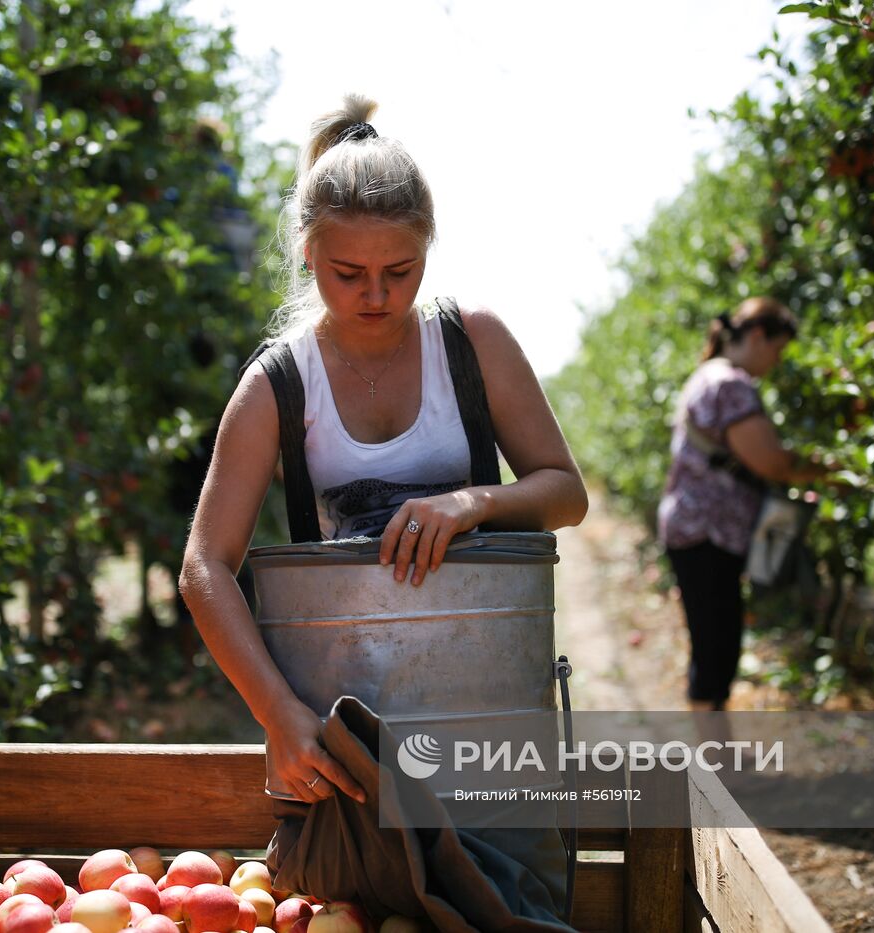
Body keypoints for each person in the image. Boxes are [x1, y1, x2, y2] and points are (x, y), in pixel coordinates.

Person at [177, 94, 587, 917]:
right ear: (306, 254)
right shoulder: (281, 386)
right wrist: (279, 714)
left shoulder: (471, 345)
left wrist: (471, 502)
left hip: (484, 716)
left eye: (399, 272)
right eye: (347, 274)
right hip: (356, 741)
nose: (376, 296)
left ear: (428, 250)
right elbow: (204, 566)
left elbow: (565, 492)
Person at [657, 297, 829, 712]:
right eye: (778, 348)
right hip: (707, 533)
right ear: (756, 336)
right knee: (716, 647)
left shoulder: (708, 376)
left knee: (714, 642)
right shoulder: (731, 383)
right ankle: (711, 758)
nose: (777, 360)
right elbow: (772, 461)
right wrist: (835, 468)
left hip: (698, 530)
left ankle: (716, 747)